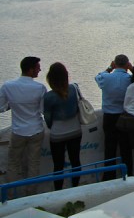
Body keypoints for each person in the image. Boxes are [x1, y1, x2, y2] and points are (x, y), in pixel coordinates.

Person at [0, 56, 46, 195]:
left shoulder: (8, 86)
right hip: (36, 130)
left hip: (18, 131)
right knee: (33, 164)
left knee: (13, 164)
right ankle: (30, 194)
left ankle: (9, 196)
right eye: (38, 67)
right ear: (31, 70)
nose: (40, 70)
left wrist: (12, 104)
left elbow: (1, 107)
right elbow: (43, 110)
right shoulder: (40, 88)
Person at [43, 62, 82, 190]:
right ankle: (75, 187)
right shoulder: (74, 88)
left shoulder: (49, 96)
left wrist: (53, 126)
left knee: (58, 165)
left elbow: (48, 119)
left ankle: (58, 191)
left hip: (57, 134)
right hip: (75, 131)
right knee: (75, 161)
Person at [95, 54, 133, 180]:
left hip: (109, 117)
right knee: (126, 149)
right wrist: (132, 68)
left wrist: (109, 68)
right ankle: (128, 176)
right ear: (127, 64)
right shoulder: (130, 78)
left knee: (109, 149)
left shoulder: (106, 77)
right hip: (124, 117)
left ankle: (109, 177)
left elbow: (97, 77)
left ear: (114, 64)